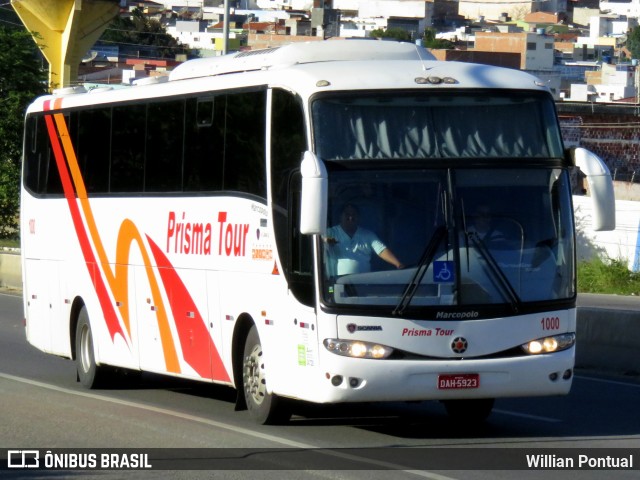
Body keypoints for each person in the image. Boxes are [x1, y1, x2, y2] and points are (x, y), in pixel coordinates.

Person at [325, 203, 404, 276]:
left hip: (363, 284)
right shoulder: (331, 232)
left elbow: (381, 250)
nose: (351, 217)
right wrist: (327, 240)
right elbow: (319, 239)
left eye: (354, 214)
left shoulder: (368, 235)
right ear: (340, 216)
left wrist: (398, 264)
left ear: (358, 217)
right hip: (339, 284)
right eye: (347, 214)